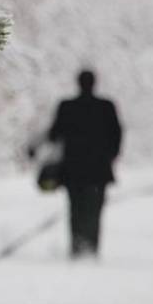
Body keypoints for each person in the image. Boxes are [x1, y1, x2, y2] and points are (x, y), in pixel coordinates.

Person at [47, 70, 122, 259]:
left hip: (73, 169)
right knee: (95, 209)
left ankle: (77, 246)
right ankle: (91, 246)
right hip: (99, 170)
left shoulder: (67, 106)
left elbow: (54, 134)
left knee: (75, 208)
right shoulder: (106, 106)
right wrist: (110, 156)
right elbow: (117, 135)